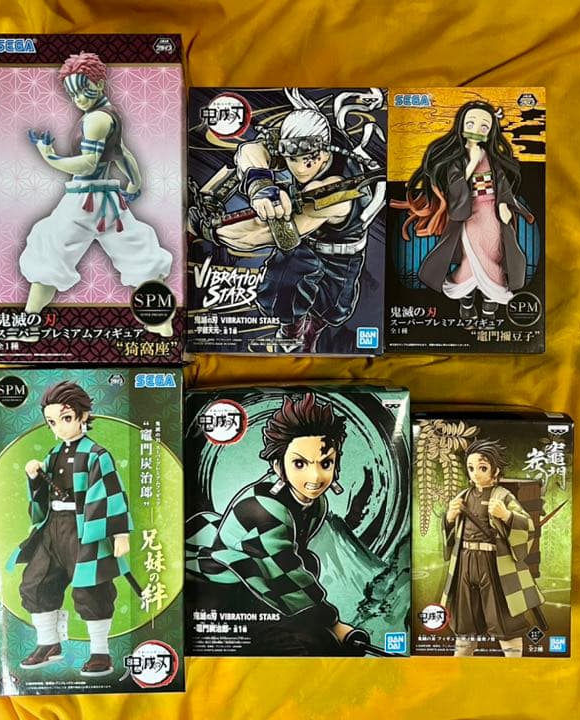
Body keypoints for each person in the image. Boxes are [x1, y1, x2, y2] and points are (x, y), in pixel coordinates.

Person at [186, 392, 367, 655]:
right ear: (278, 464)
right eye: (300, 463)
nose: (315, 476)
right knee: (311, 634)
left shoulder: (314, 502)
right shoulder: (263, 509)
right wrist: (332, 622)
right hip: (221, 578)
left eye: (326, 463)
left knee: (309, 564)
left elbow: (293, 559)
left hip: (262, 572)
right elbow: (286, 574)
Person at [207, 88, 385, 352]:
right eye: (293, 160)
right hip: (306, 246)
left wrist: (210, 230)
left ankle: (310, 336)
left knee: (331, 309)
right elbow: (250, 149)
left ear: (325, 153)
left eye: (309, 161)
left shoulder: (337, 190)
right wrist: (260, 184)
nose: (301, 168)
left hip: (341, 257)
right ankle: (290, 335)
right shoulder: (305, 136)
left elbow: (264, 234)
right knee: (284, 286)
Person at [19, 51, 172, 317]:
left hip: (83, 200)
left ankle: (30, 320)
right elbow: (121, 152)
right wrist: (135, 183)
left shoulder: (96, 119)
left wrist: (49, 156)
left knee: (49, 251)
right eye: (73, 94)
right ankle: (160, 321)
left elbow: (88, 164)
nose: (78, 99)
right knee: (139, 253)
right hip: (110, 202)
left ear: (100, 83)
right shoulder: (110, 114)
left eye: (83, 90)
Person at [8, 381, 133, 677]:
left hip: (85, 530)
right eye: (52, 422)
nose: (59, 428)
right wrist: (34, 476)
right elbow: (43, 496)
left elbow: (112, 492)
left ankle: (100, 651)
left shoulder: (97, 455)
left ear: (83, 415)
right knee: (36, 582)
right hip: (53, 527)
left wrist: (120, 533)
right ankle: (48, 643)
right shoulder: (53, 454)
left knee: (91, 588)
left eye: (65, 418)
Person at [393, 101, 532, 320]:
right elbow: (455, 187)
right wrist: (471, 163)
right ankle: (467, 302)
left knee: (495, 252)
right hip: (469, 214)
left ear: (490, 131)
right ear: (461, 125)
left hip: (492, 213)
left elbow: (502, 183)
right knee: (473, 256)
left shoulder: (491, 158)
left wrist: (504, 203)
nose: (476, 129)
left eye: (484, 126)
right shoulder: (456, 159)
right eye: (471, 123)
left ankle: (489, 306)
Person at [441, 438, 544, 657]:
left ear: (495, 470)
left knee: (504, 617)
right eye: (471, 468)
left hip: (494, 564)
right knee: (465, 621)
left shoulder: (503, 496)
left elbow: (528, 526)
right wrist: (449, 517)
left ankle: (514, 665)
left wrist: (506, 515)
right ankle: (460, 664)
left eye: (482, 468)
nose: (475, 474)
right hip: (465, 562)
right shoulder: (463, 496)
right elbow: (450, 532)